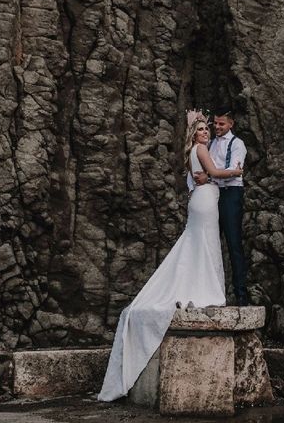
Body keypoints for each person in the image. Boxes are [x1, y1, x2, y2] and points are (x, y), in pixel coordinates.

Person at [98, 110, 243, 402]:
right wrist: (236, 172)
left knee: (197, 243)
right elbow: (213, 174)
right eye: (201, 129)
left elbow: (201, 175)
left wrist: (194, 127)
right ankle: (206, 288)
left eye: (208, 128)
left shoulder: (192, 151)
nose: (206, 132)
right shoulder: (202, 149)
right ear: (196, 135)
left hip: (201, 201)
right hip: (205, 202)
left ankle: (198, 283)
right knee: (203, 244)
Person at [190, 107, 248, 306]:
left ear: (231, 124)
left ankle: (241, 295)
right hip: (213, 196)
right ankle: (209, 292)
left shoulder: (237, 144)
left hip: (231, 195)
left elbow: (234, 170)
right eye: (215, 123)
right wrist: (209, 176)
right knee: (211, 243)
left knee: (233, 244)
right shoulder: (209, 143)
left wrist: (210, 175)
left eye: (221, 124)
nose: (217, 127)